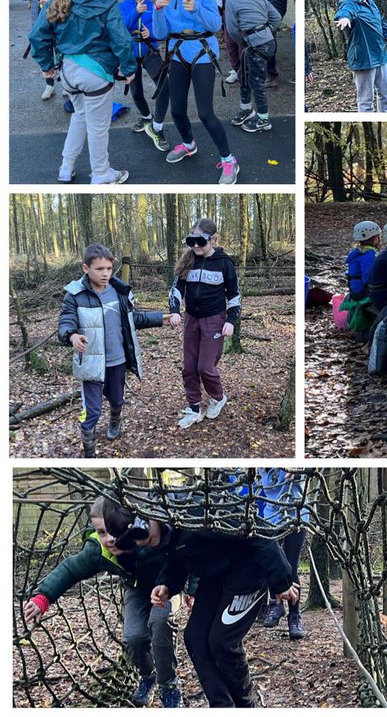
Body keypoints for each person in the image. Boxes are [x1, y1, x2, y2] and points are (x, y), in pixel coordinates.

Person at [24, 497, 182, 707]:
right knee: (133, 637)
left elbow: (185, 554)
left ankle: (169, 685)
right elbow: (70, 569)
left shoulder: (149, 538)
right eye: (101, 532)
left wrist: (192, 588)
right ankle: (148, 676)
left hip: (167, 587)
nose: (108, 539)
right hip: (137, 591)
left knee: (159, 623)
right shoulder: (99, 550)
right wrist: (43, 597)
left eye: (112, 530)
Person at [145, 507, 298, 707]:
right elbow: (180, 556)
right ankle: (221, 705)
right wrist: (167, 583)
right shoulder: (170, 533)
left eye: (140, 534)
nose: (139, 543)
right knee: (195, 638)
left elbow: (256, 529)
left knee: (222, 641)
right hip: (215, 576)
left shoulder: (194, 515)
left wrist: (281, 579)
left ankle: (247, 705)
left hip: (247, 570)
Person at [29, 0, 137, 185]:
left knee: (79, 115)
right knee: (98, 128)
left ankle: (66, 168)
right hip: (95, 73)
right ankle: (101, 174)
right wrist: (129, 68)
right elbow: (121, 40)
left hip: (68, 72)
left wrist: (47, 67)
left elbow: (37, 36)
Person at [58, 244, 164, 456]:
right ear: (86, 268)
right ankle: (89, 450)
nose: (105, 273)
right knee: (92, 411)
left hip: (118, 360)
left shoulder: (120, 291)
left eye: (108, 268)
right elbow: (66, 320)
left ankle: (115, 421)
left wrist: (162, 318)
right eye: (99, 269)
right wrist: (71, 335)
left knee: (116, 399)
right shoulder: (75, 295)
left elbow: (133, 320)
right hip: (91, 363)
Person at [151, 0, 239, 184]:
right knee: (177, 109)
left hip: (202, 52)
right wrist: (157, 9)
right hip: (178, 53)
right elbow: (160, 34)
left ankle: (229, 160)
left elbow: (216, 24)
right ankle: (189, 144)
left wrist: (197, 9)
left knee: (205, 112)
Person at [168, 218, 241, 428]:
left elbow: (234, 295)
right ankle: (194, 407)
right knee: (189, 367)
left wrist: (231, 320)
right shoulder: (189, 261)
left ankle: (218, 397)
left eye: (201, 241)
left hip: (214, 320)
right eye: (192, 241)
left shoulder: (224, 263)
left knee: (205, 367)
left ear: (213, 239)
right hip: (192, 319)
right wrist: (175, 310)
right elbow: (176, 288)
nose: (197, 246)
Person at [253, 469, 310, 640]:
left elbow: (303, 473)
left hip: (295, 513)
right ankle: (276, 604)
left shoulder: (289, 465)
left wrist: (296, 472)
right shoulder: (260, 469)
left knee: (290, 566)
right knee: (272, 560)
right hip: (272, 516)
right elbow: (256, 487)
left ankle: (294, 617)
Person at [223, 0, 280, 134]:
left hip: (255, 44)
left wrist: (245, 41)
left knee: (256, 81)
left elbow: (232, 29)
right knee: (243, 74)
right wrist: (267, 32)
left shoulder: (231, 0)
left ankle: (263, 120)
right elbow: (276, 17)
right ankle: (246, 109)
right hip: (268, 42)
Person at [119, 0, 170, 137]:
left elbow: (162, 31)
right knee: (136, 91)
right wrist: (135, 12)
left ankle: (157, 126)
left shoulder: (154, 5)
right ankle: (147, 117)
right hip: (131, 54)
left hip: (149, 50)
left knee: (165, 86)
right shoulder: (124, 6)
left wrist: (152, 34)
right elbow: (120, 30)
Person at [334, 0, 387, 112]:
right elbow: (345, 11)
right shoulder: (349, 3)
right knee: (366, 99)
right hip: (364, 57)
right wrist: (344, 18)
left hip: (380, 55)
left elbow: (381, 21)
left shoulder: (371, 4)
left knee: (386, 92)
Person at [16, 0, 59, 100]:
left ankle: (65, 84)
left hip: (57, 29)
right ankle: (50, 85)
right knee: (45, 57)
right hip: (41, 31)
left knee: (61, 56)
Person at [344, 221, 381, 340]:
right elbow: (368, 279)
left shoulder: (359, 252)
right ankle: (370, 337)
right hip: (363, 293)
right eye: (378, 236)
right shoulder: (369, 255)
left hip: (355, 291)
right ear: (374, 238)